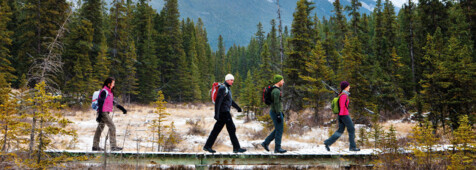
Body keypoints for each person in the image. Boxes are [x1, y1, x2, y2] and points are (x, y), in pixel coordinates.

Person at [203, 74, 247, 153]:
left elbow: (230, 101)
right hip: (223, 113)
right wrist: (216, 114)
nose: (232, 82)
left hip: (225, 112)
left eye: (233, 80)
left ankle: (207, 146)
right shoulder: (223, 88)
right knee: (231, 129)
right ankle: (236, 148)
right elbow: (218, 102)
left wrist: (238, 108)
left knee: (218, 130)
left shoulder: (227, 89)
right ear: (226, 80)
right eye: (231, 80)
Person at [92, 77, 127, 151]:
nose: (114, 85)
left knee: (100, 128)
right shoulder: (104, 91)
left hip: (105, 112)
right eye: (113, 83)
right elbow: (100, 103)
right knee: (112, 127)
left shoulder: (110, 92)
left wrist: (121, 108)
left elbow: (112, 102)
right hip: (103, 112)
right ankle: (113, 146)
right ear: (109, 84)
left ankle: (95, 146)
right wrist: (100, 114)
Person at [324, 81, 360, 152]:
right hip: (344, 115)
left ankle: (328, 142)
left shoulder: (342, 94)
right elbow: (342, 106)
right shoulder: (343, 95)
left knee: (340, 131)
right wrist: (343, 116)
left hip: (341, 115)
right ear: (345, 87)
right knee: (351, 129)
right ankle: (352, 147)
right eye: (348, 86)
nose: (349, 87)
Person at [261, 75, 287, 153]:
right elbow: (276, 103)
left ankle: (266, 143)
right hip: (275, 112)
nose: (283, 82)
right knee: (279, 130)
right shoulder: (276, 91)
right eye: (282, 80)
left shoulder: (275, 90)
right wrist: (279, 114)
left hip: (275, 112)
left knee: (278, 129)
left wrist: (280, 112)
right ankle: (277, 148)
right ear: (279, 81)